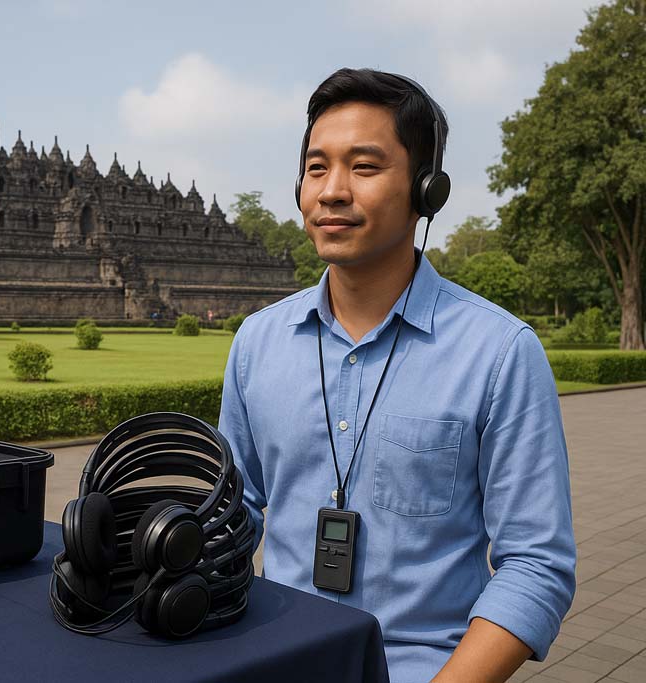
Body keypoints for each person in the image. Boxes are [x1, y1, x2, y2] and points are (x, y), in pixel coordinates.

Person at [218, 68, 575, 682]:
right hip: (266, 658)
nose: (331, 191)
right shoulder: (258, 342)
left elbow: (535, 565)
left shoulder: (499, 352)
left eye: (363, 167)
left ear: (426, 190)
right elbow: (237, 511)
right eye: (315, 167)